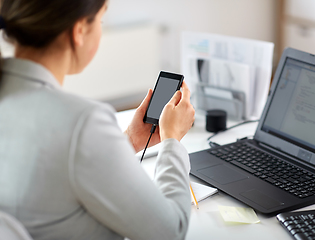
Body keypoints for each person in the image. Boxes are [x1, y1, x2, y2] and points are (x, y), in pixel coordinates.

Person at [0, 0, 195, 239]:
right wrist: (172, 141)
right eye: (101, 20)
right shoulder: (81, 122)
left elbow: (57, 175)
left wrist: (131, 140)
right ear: (79, 30)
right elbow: (170, 230)